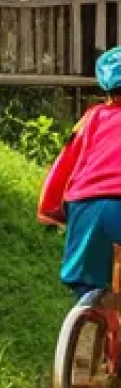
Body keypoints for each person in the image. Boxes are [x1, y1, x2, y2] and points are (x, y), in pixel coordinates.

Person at [40, 47, 121, 301]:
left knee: (89, 290)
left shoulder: (91, 119)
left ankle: (88, 324)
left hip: (86, 209)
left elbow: (64, 165)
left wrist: (52, 207)